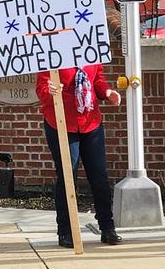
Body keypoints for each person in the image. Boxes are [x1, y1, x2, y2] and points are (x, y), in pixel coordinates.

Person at [35, 65, 123, 248]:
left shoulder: (90, 54)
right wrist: (49, 91)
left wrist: (107, 92)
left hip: (91, 122)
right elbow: (41, 88)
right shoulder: (52, 56)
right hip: (61, 122)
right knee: (68, 177)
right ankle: (66, 231)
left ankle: (107, 228)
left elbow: (97, 80)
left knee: (99, 176)